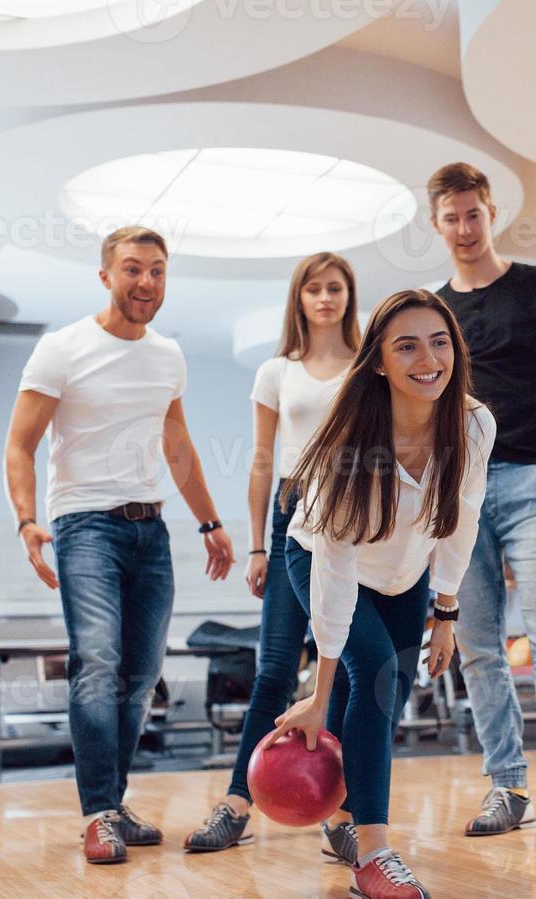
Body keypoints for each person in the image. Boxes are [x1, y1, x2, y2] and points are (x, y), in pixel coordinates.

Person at [4, 226, 235, 865]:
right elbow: (20, 444)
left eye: (158, 271)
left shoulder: (168, 356)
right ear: (105, 276)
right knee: (98, 662)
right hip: (84, 526)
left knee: (139, 677)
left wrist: (210, 523)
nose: (146, 283)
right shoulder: (62, 349)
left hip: (150, 530)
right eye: (133, 269)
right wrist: (27, 521)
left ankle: (114, 802)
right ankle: (98, 815)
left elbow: (178, 444)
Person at [271, 288, 494, 899]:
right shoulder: (349, 446)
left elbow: (463, 520)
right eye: (407, 346)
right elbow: (335, 573)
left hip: (404, 574)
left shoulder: (474, 423)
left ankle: (343, 821)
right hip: (321, 558)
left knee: (384, 692)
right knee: (369, 674)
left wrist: (445, 612)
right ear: (378, 361)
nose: (428, 359)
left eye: (439, 341)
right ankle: (372, 855)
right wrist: (318, 692)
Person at [431, 162, 536, 849]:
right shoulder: (434, 312)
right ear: (436, 224)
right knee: (478, 648)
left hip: (534, 481)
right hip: (458, 495)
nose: (465, 229)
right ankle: (506, 785)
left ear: (490, 213)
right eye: (452, 218)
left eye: (474, 214)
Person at [181, 253, 361, 861]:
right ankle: (237, 801)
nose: (326, 297)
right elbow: (262, 460)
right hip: (292, 515)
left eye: (336, 287)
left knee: (355, 668)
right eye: (315, 288)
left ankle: (346, 813)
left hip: (357, 519)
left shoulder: (369, 365)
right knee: (276, 666)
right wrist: (258, 543)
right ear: (300, 299)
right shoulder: (276, 371)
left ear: (348, 296)